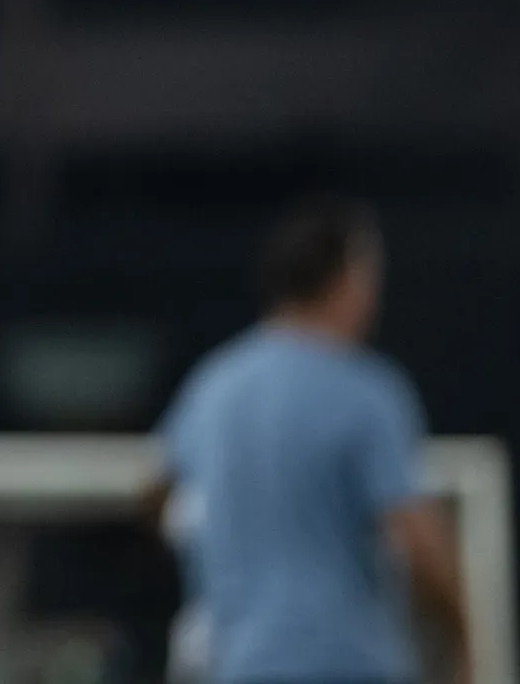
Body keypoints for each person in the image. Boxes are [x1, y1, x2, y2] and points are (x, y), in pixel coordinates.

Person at [154, 197, 470, 684]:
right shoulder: (367, 393)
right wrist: (465, 632)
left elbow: (158, 489)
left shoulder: (213, 386)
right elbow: (417, 536)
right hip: (345, 660)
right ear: (349, 279)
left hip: (241, 664)